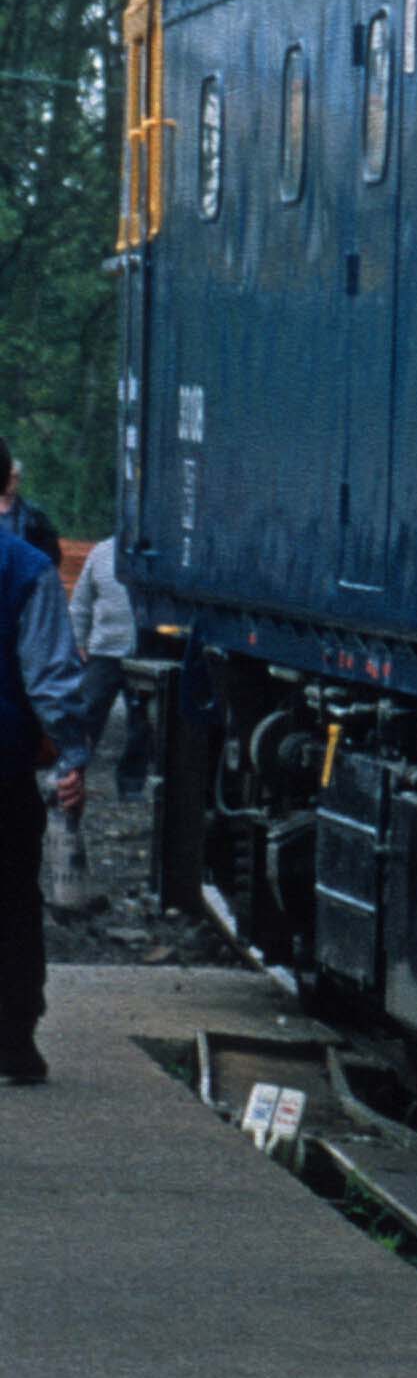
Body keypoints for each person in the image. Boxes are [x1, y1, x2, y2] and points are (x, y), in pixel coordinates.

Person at [0, 450, 90, 1086]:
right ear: (7, 481)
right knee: (11, 905)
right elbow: (52, 678)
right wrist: (75, 754)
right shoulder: (26, 567)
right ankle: (12, 1044)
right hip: (3, 769)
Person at [55, 534, 131, 869]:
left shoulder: (154, 554)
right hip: (104, 653)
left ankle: (133, 790)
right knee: (85, 718)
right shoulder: (101, 553)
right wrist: (79, 643)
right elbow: (82, 604)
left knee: (143, 728)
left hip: (145, 653)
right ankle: (71, 777)